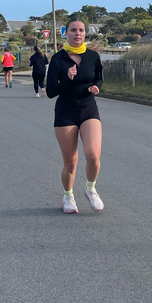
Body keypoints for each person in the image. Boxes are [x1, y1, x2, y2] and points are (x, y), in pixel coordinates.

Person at [46, 19, 104, 213]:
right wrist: (67, 79)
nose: (77, 33)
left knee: (93, 156)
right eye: (73, 30)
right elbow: (51, 91)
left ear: (85, 33)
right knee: (71, 162)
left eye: (81, 30)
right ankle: (68, 196)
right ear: (66, 33)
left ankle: (91, 189)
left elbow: (99, 77)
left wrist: (97, 87)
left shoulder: (93, 57)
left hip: (88, 109)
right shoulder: (58, 59)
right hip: (66, 112)